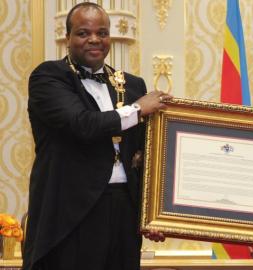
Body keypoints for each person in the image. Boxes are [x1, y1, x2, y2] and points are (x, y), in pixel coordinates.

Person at [23, 3, 169, 270]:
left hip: (124, 209)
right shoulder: (49, 77)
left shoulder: (133, 85)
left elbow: (145, 154)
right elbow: (83, 124)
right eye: (83, 33)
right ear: (67, 38)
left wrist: (153, 214)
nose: (94, 39)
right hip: (72, 213)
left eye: (102, 32)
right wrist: (138, 110)